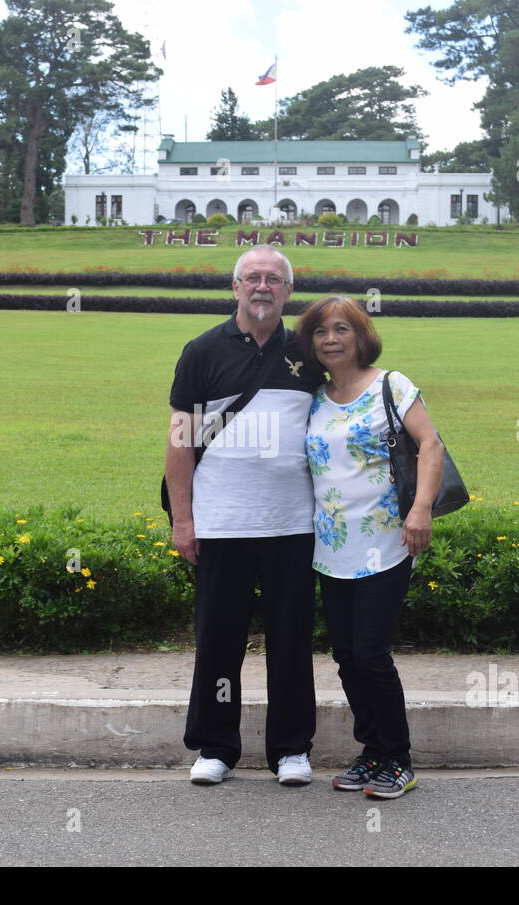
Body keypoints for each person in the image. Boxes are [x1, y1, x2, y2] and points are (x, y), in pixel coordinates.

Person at [166, 243, 325, 785]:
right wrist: (182, 520)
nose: (262, 286)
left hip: (293, 525)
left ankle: (290, 749)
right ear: (234, 288)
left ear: (288, 290)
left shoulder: (309, 350)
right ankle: (215, 747)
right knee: (218, 641)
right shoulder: (202, 351)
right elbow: (180, 442)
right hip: (222, 523)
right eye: (251, 277)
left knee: (291, 639)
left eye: (273, 278)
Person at [296, 295, 444, 799]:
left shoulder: (391, 385)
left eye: (341, 329)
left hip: (385, 539)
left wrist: (420, 509)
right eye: (320, 332)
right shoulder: (312, 397)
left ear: (361, 336)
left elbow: (431, 445)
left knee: (371, 653)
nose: (331, 339)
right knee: (345, 656)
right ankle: (372, 752)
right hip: (330, 545)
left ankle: (398, 759)